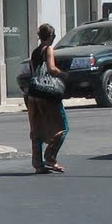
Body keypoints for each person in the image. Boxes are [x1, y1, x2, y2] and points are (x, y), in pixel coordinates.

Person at [25, 22, 67, 174]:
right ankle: (50, 157)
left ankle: (38, 164)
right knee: (63, 126)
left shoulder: (35, 52)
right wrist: (64, 75)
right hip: (47, 94)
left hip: (33, 94)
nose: (54, 39)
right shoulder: (48, 49)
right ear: (50, 36)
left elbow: (33, 71)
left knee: (36, 130)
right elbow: (51, 68)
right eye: (54, 36)